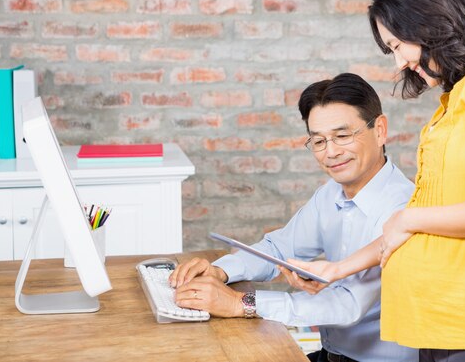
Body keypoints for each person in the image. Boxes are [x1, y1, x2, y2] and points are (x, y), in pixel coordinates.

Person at [285, 0, 465, 362]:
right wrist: (335, 270)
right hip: (442, 325)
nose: (398, 63)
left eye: (396, 45)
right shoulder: (456, 99)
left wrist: (408, 220)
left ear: (426, 22)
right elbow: (420, 218)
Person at [170, 73, 418, 362]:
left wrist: (241, 303)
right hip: (332, 354)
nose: (331, 152)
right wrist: (220, 271)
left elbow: (347, 305)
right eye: (319, 141)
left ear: (380, 130)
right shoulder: (331, 194)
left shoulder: (403, 208)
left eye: (342, 135)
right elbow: (279, 248)